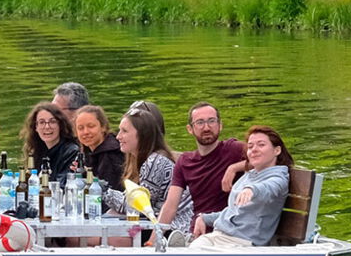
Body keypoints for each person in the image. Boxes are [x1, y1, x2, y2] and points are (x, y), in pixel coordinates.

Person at [191, 127, 293, 249]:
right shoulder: (250, 175)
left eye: (261, 145)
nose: (254, 150)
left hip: (242, 243)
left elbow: (269, 188)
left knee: (195, 254)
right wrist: (204, 218)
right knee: (190, 250)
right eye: (250, 146)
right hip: (220, 236)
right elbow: (233, 212)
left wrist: (251, 189)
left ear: (277, 150)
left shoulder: (279, 178)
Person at [155, 102, 246, 234]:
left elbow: (273, 157)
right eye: (200, 122)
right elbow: (170, 207)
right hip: (198, 231)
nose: (206, 127)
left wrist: (235, 168)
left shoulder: (235, 149)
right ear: (190, 129)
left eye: (211, 121)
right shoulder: (185, 162)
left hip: (229, 230)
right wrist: (153, 241)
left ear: (220, 125)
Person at [117, 101, 193, 236]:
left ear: (142, 134)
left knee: (95, 239)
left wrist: (99, 189)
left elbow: (137, 207)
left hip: (173, 228)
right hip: (155, 223)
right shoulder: (144, 159)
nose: (118, 136)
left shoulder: (155, 163)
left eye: (124, 131)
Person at [75, 105, 124, 203]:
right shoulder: (87, 153)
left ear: (103, 127)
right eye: (80, 128)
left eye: (91, 126)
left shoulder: (111, 154)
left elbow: (109, 192)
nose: (85, 132)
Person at [20, 102, 82, 176]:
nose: (47, 127)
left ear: (60, 125)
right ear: (36, 127)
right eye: (42, 122)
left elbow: (64, 183)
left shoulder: (71, 152)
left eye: (52, 122)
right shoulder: (37, 150)